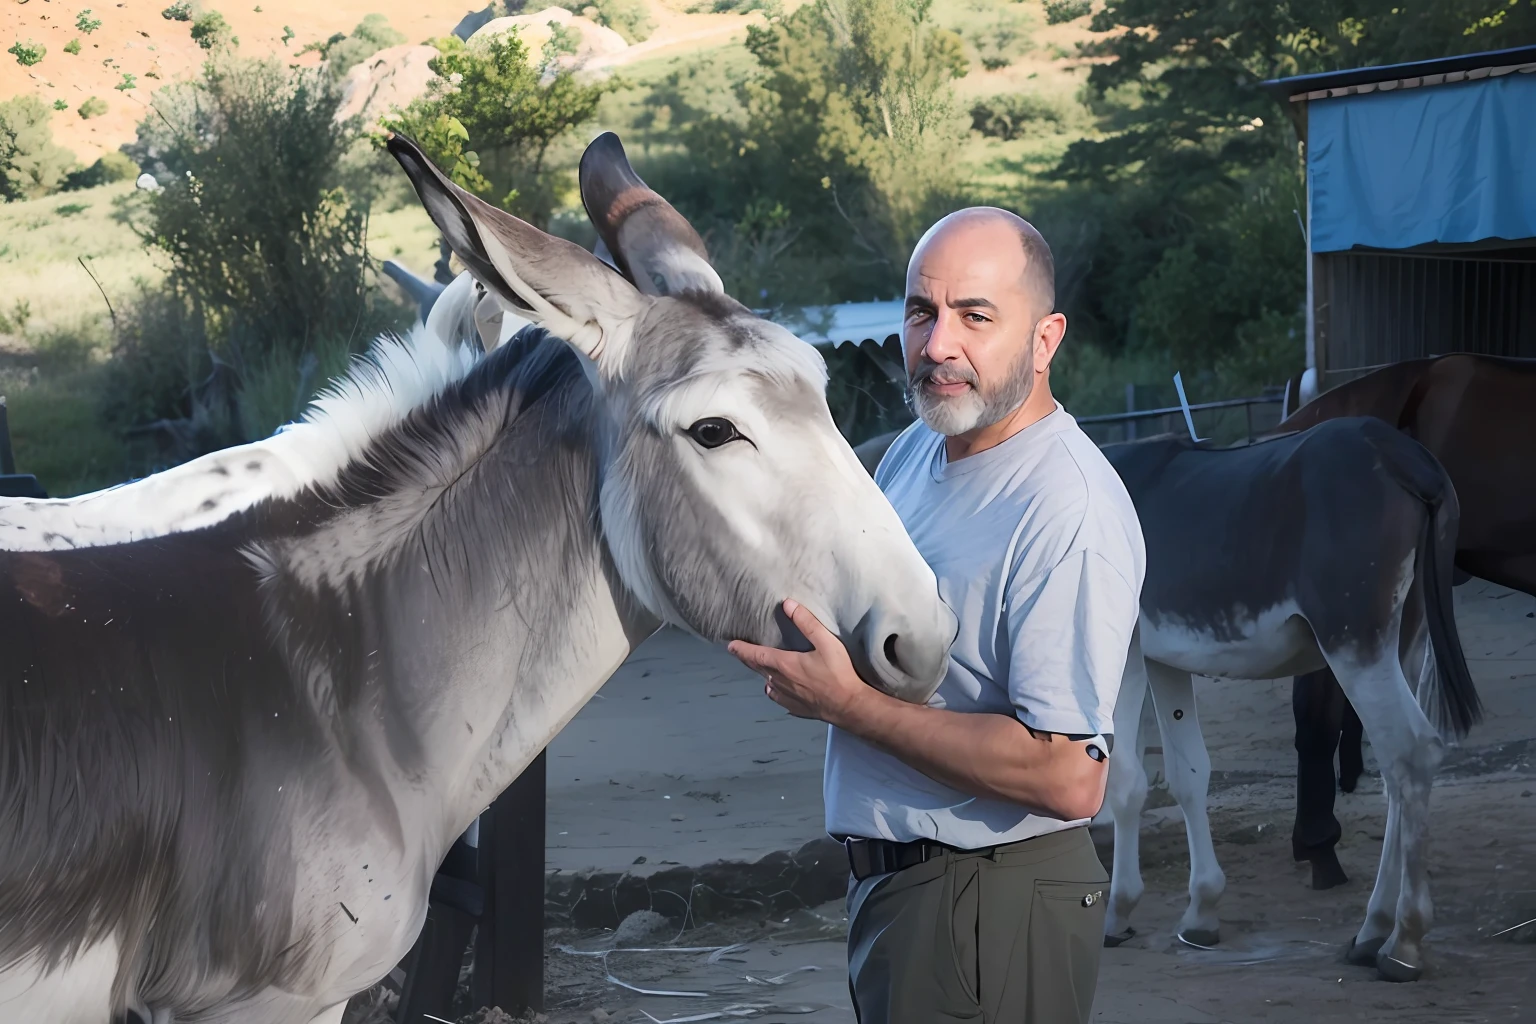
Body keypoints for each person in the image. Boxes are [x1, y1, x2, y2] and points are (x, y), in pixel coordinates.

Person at [729, 208, 1146, 1023]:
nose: (938, 344)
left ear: (1045, 339)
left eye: (976, 316)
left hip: (987, 899)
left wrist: (850, 706)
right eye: (922, 311)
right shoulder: (922, 449)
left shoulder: (1067, 510)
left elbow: (1069, 775)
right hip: (909, 890)